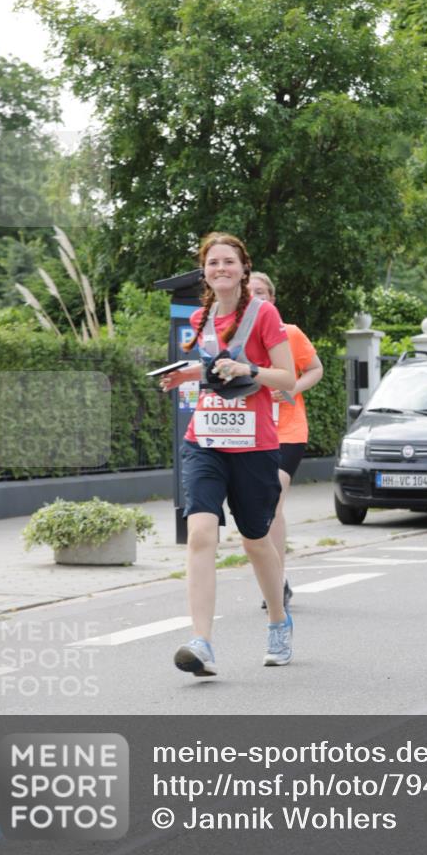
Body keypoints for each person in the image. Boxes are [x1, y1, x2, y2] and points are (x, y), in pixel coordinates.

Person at [159, 233, 296, 676]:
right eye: (213, 262)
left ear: (243, 268)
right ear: (205, 270)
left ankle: (278, 620)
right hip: (206, 439)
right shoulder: (201, 317)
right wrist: (188, 375)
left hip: (254, 444)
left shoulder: (264, 314)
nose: (221, 268)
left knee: (255, 540)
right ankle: (202, 642)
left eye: (229, 262)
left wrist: (249, 369)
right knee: (201, 532)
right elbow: (215, 367)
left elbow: (287, 378)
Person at [248, 272, 324, 608]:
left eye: (261, 292)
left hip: (288, 430)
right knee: (260, 509)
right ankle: (275, 579)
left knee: (273, 497)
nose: (255, 297)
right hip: (251, 431)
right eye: (249, 292)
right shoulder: (235, 339)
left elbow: (316, 369)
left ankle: (276, 583)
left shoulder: (289, 333)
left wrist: (291, 387)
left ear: (272, 299)